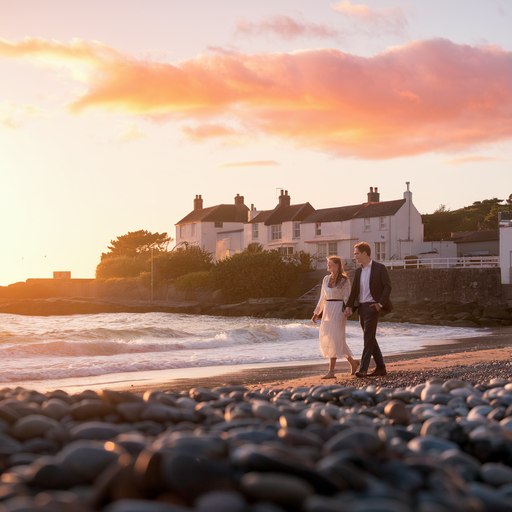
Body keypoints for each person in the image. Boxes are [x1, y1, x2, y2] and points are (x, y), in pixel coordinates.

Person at [344, 242, 392, 378]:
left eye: (356, 253)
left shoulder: (379, 268)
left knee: (368, 338)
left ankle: (363, 369)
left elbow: (388, 287)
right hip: (362, 308)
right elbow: (354, 291)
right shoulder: (358, 271)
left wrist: (380, 304)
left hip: (372, 307)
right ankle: (381, 368)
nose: (355, 256)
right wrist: (349, 307)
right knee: (370, 338)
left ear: (365, 254)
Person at [312, 256, 359, 379]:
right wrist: (316, 313)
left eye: (330, 264)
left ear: (337, 265)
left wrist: (348, 309)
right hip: (328, 309)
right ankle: (353, 362)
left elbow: (347, 297)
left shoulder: (344, 280)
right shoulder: (326, 279)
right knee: (333, 338)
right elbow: (322, 297)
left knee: (335, 338)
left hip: (339, 310)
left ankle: (331, 371)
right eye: (328, 264)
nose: (328, 266)